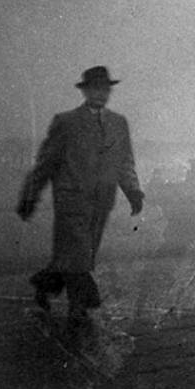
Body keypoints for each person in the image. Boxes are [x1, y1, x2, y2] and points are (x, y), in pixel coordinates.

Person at [16, 66, 144, 342]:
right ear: (85, 91)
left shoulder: (118, 123)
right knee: (79, 257)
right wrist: (30, 195)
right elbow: (46, 163)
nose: (100, 93)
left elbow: (125, 162)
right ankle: (78, 311)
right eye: (95, 88)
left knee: (79, 255)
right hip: (71, 201)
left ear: (109, 92)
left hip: (102, 202)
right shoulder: (66, 122)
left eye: (105, 89)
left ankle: (44, 284)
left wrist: (133, 191)